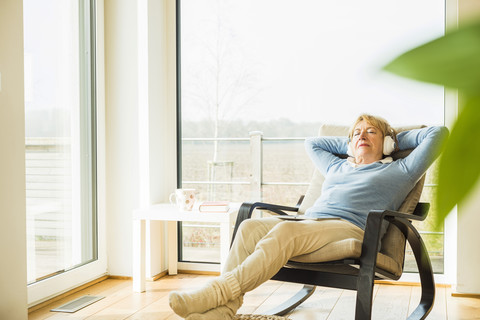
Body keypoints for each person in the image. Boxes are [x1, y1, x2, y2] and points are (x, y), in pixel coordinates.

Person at [169, 114, 448, 320]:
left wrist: (396, 140)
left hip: (352, 229)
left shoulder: (400, 170)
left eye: (371, 132)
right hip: (310, 224)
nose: (362, 135)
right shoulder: (337, 166)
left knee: (284, 233)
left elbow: (439, 133)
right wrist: (351, 143)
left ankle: (216, 293)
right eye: (357, 133)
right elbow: (312, 143)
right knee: (249, 227)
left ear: (387, 143)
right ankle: (225, 311)